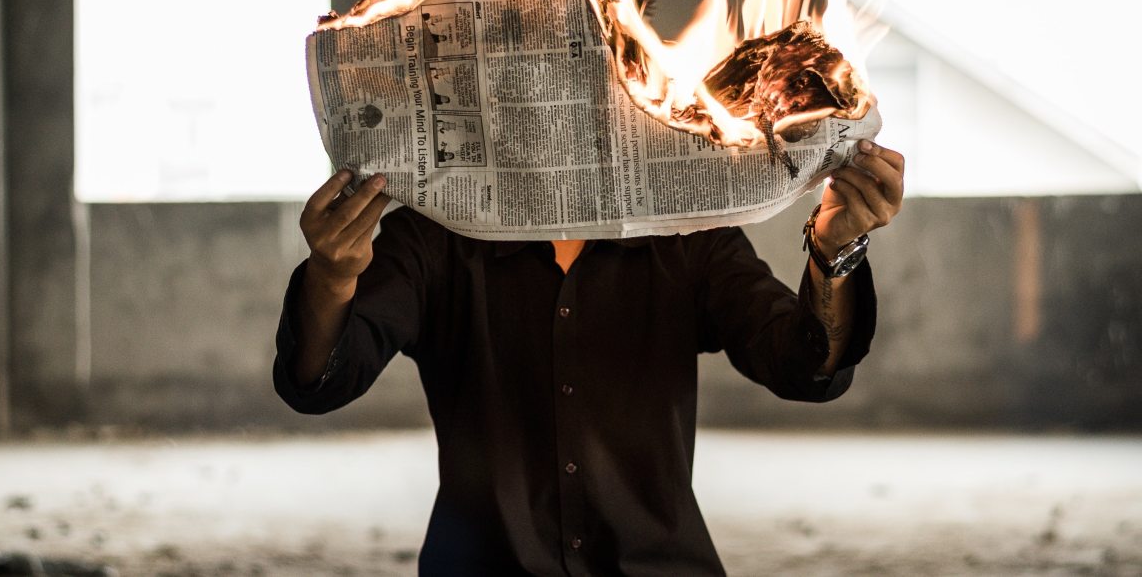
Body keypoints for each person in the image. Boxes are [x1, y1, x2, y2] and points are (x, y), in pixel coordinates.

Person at [274, 140, 905, 576]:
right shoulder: (435, 236)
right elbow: (322, 381)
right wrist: (332, 276)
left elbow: (804, 366)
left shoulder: (686, 232)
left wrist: (834, 250)